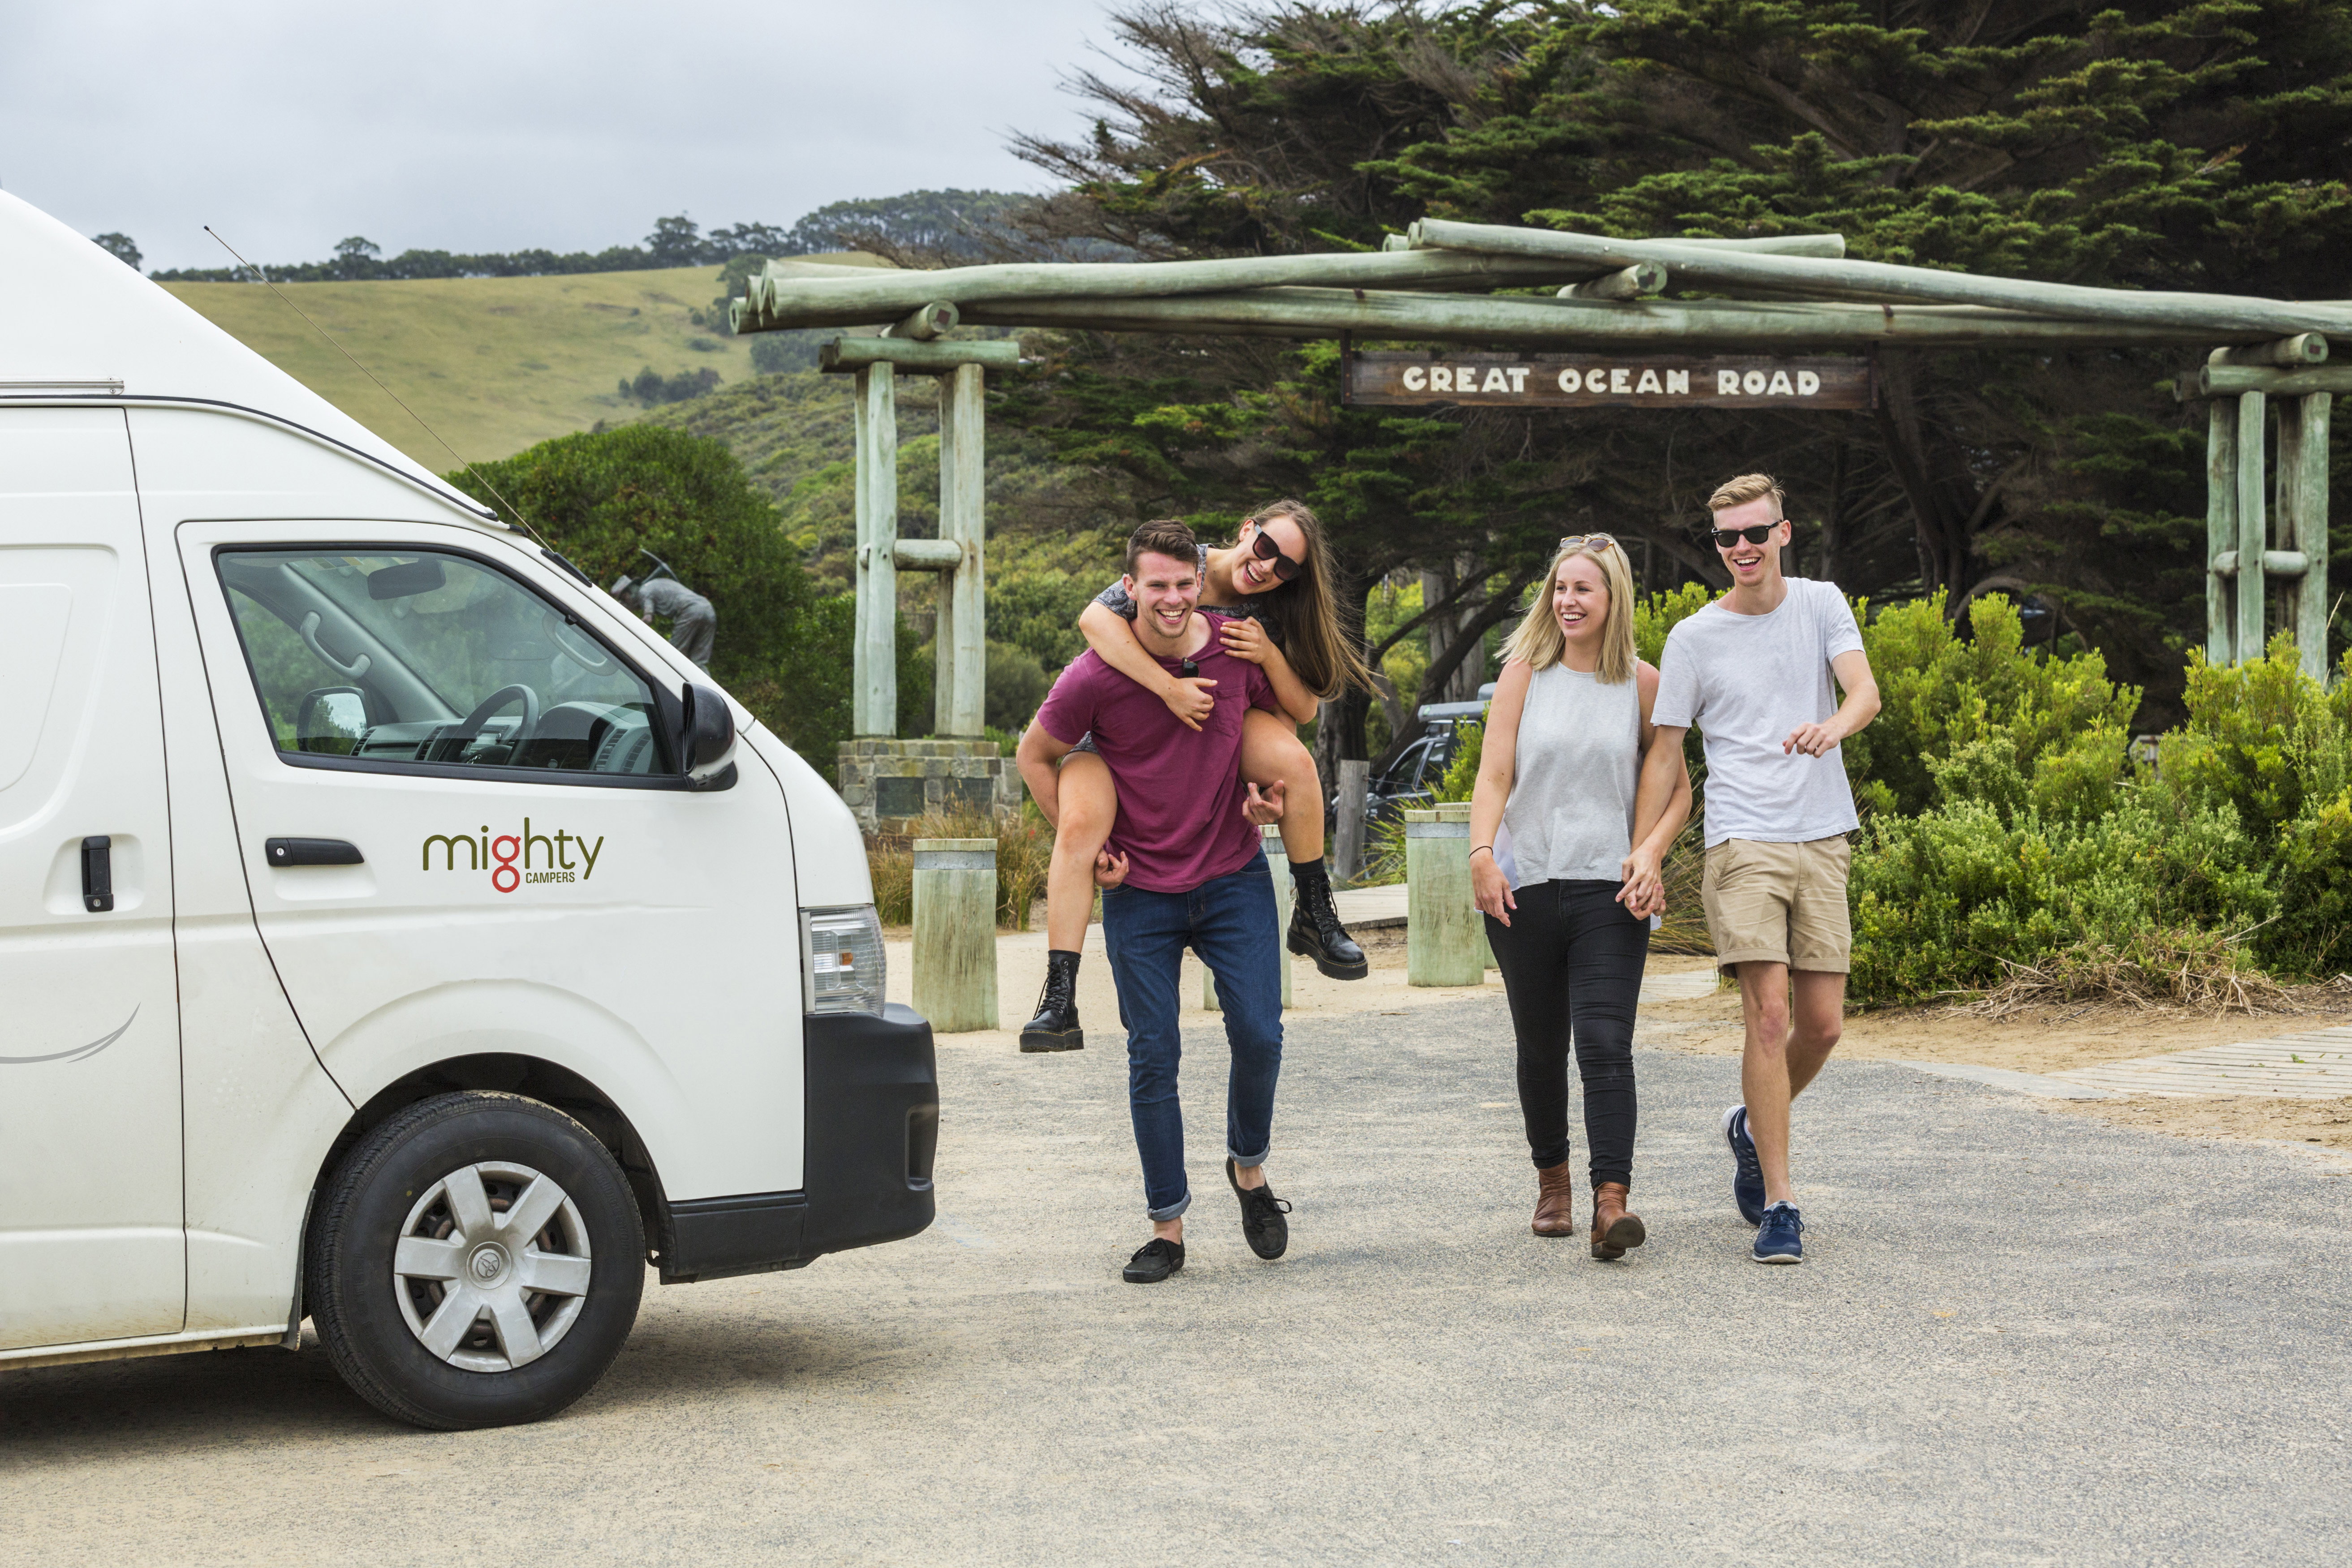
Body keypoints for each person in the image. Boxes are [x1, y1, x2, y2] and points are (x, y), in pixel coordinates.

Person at [1016, 519, 1296, 1284]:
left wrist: (1266, 797)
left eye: (1183, 584)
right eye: (1156, 586)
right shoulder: (1095, 677)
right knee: (1154, 1056)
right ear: (1130, 589)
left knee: (1261, 1035)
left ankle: (1249, 1170)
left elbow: (1283, 723)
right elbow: (1034, 755)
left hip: (1233, 876)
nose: (1172, 600)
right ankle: (1167, 1228)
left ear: (1197, 580)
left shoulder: (1236, 650)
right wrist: (1082, 844)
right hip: (1139, 890)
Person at [1018, 500, 1375, 1054]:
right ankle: (1058, 997)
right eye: (1265, 549)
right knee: (1081, 821)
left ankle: (1314, 912)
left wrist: (1253, 785)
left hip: (1208, 723)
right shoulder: (1184, 566)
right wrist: (1167, 689)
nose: (1269, 567)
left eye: (1286, 567)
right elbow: (1094, 621)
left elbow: (1296, 713)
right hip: (1121, 718)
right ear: (1246, 530)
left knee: (1298, 766)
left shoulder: (1274, 611)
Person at [1641, 474, 1881, 1266]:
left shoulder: (1820, 602)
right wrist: (1646, 851)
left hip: (1823, 835)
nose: (1741, 549)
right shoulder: (1693, 639)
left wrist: (1832, 728)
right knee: (1769, 1018)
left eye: (1755, 533)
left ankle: (1748, 1125)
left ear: (1784, 531)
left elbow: (1864, 694)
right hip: (1742, 840)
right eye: (1726, 539)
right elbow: (1667, 751)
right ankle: (1782, 1204)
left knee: (1822, 1026)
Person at [1469, 535, 1691, 1256]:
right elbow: (1494, 776)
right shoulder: (1521, 677)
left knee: (1604, 1043)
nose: (1567, 600)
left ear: (1611, 599)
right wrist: (1479, 854)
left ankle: (1610, 1204)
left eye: (1583, 590)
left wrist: (1649, 855)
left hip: (1610, 892)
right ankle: (1553, 1186)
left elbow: (1678, 793)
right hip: (1524, 886)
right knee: (1539, 1048)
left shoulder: (1646, 685)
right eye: (1560, 587)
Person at [611, 573, 716, 669]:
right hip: (708, 609)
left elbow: (648, 618)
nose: (625, 603)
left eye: (624, 599)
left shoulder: (644, 592)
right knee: (699, 662)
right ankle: (710, 690)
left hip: (690, 611)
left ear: (629, 592)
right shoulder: (653, 585)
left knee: (673, 658)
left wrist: (629, 632)